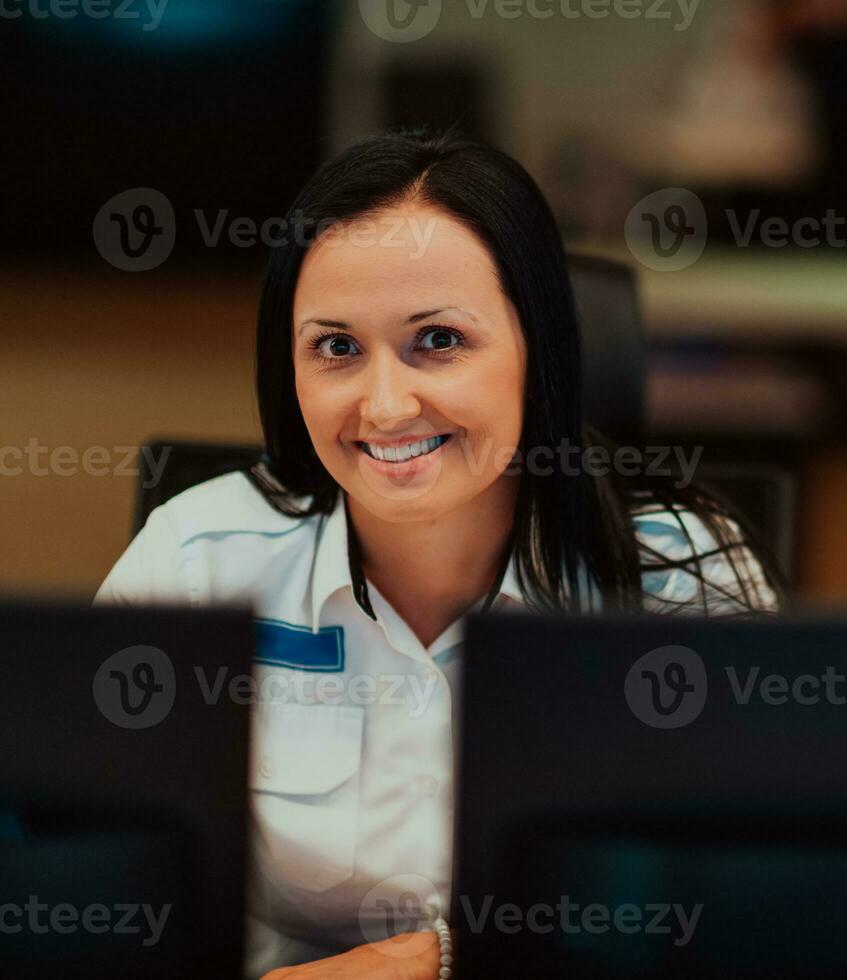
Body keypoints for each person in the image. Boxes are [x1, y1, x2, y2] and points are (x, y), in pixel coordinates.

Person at [94, 130, 781, 978]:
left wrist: (429, 960)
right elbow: (82, 880)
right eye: (337, 347)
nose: (384, 406)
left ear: (540, 350)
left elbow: (750, 905)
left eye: (439, 341)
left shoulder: (681, 573)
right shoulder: (196, 561)